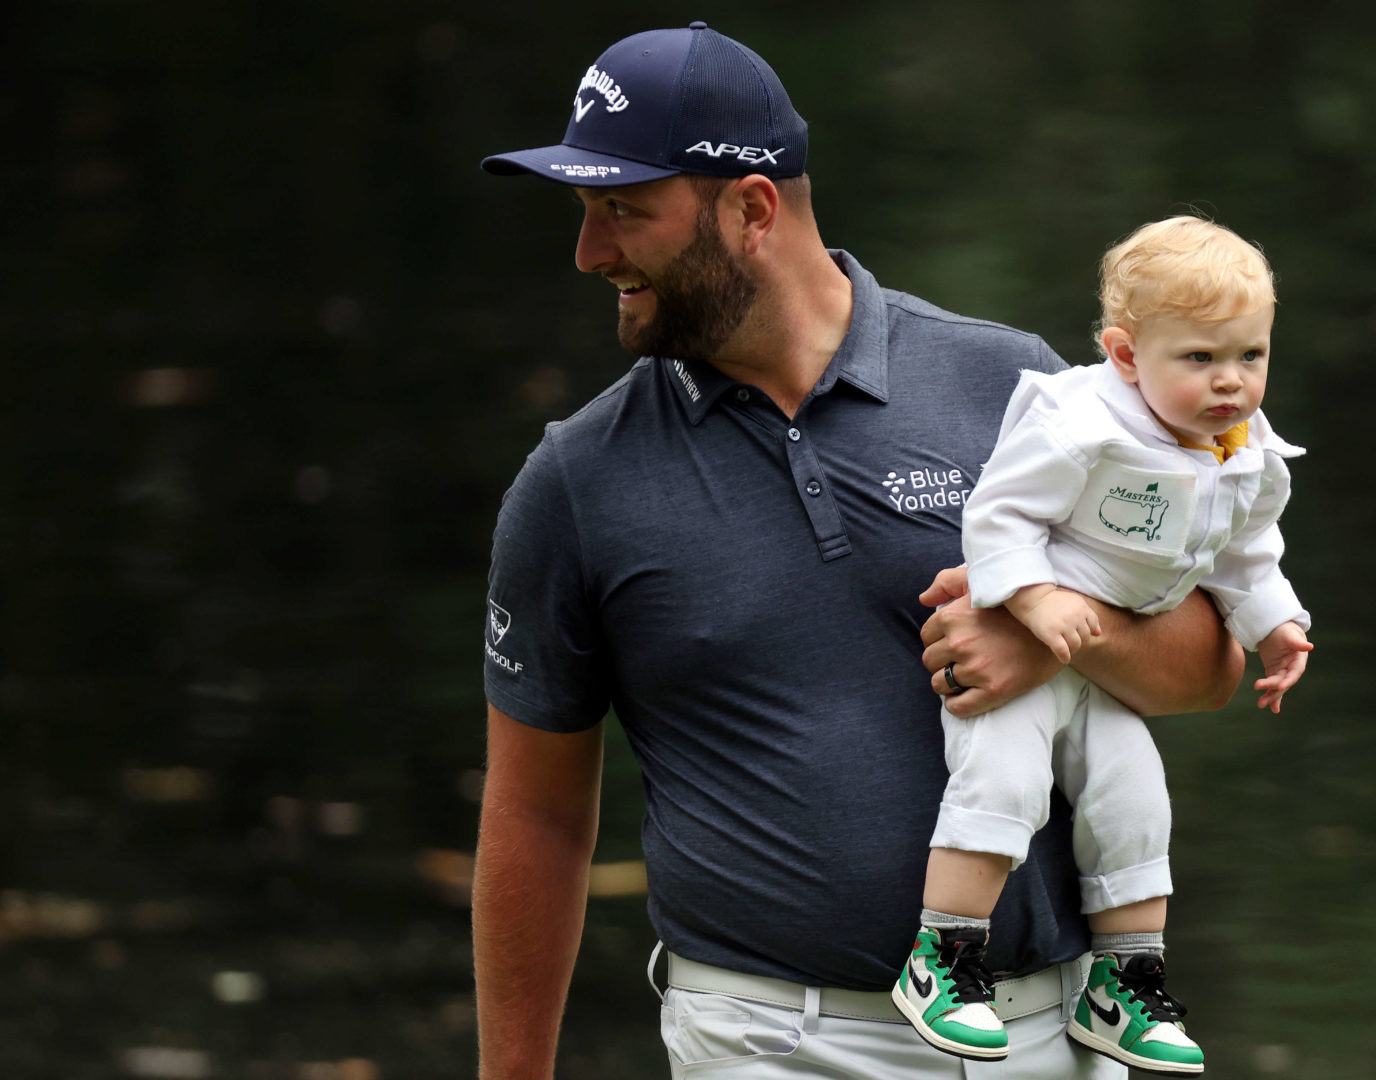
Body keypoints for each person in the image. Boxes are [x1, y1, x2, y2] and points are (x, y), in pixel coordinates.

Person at [471, 22, 1245, 1080]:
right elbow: (535, 815)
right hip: (771, 1042)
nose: (590, 253)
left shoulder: (1013, 390)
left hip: (1058, 1038)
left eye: (622, 211)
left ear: (750, 208)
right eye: (585, 213)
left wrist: (1066, 635)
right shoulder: (575, 483)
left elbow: (1210, 664)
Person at [892, 216, 1314, 1073]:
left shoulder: (1242, 450)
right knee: (1001, 783)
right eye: (1199, 359)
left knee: (1136, 801)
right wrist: (1037, 598)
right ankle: (941, 958)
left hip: (1106, 672)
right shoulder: (1082, 422)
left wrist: (1276, 624)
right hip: (1021, 639)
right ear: (1127, 356)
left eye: (1251, 356)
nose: (1231, 383)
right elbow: (998, 514)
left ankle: (1122, 984)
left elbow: (1243, 556)